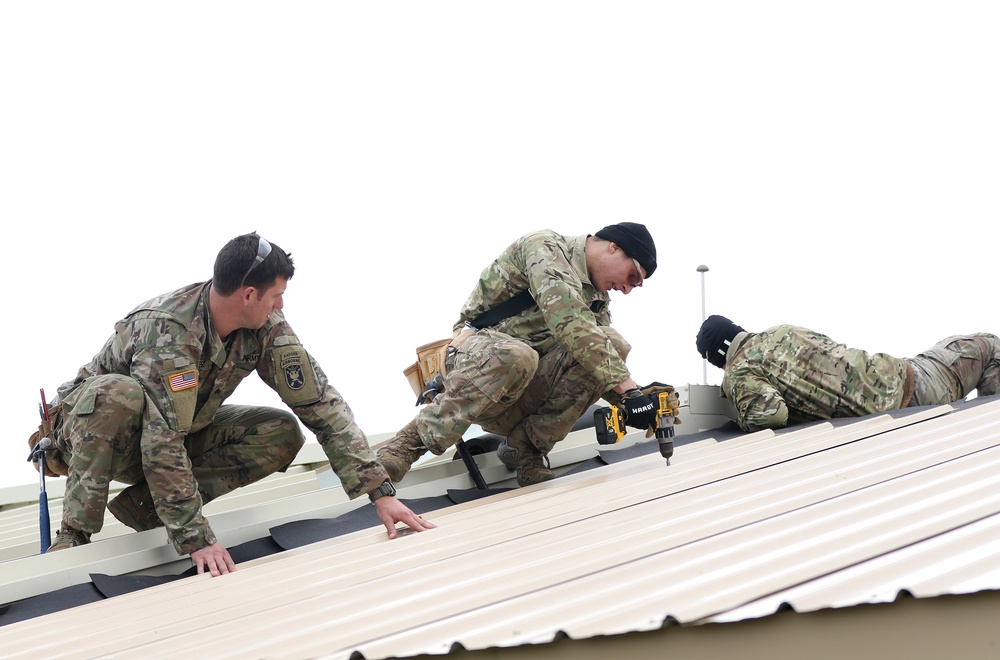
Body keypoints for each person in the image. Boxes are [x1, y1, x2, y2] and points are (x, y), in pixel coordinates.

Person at [36, 232, 434, 574]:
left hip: (175, 431)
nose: (281, 305)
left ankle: (146, 509)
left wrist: (380, 493)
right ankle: (74, 536)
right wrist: (196, 538)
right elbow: (162, 441)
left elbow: (321, 403)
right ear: (248, 294)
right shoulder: (168, 332)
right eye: (276, 296)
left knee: (280, 431)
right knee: (119, 395)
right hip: (96, 439)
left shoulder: (265, 327)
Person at [377, 222, 665, 487]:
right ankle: (405, 446)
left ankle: (524, 449)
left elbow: (598, 361)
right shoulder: (545, 247)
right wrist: (630, 392)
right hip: (477, 368)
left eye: (635, 285)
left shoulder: (597, 299)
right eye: (632, 276)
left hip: (525, 388)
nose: (628, 289)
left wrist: (638, 401)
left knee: (613, 343)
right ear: (614, 247)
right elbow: (571, 322)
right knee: (518, 354)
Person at [695, 314, 1000, 433]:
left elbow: (770, 415)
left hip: (910, 391)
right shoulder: (781, 331)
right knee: (990, 345)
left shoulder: (739, 374)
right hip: (911, 380)